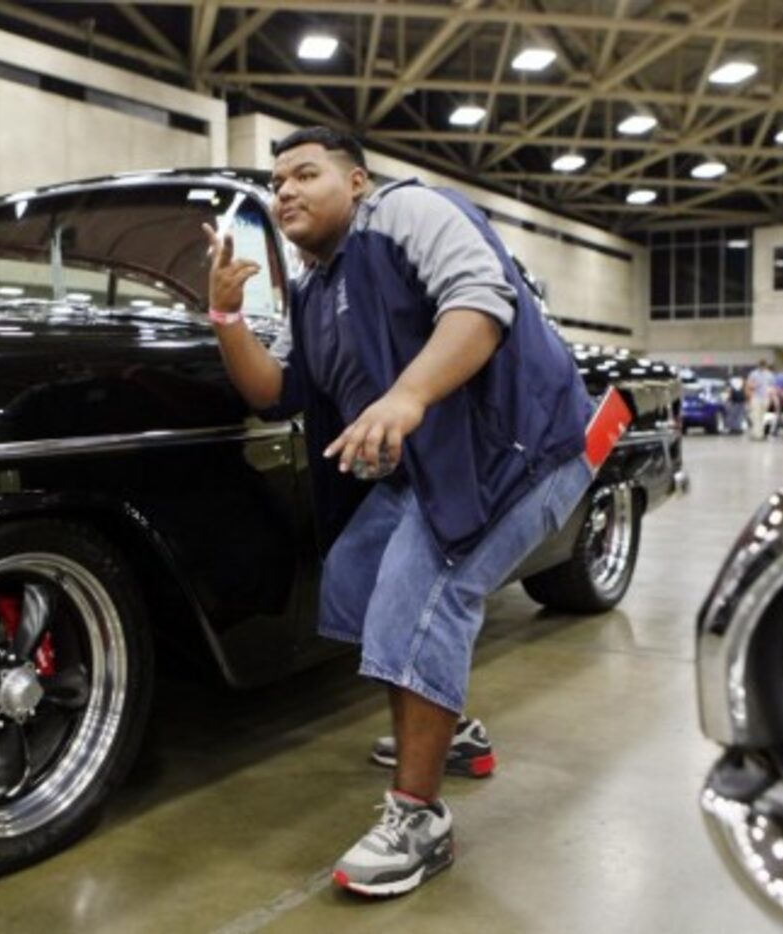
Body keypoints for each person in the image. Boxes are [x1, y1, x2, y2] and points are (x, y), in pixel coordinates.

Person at [204, 127, 595, 897]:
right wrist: (225, 316)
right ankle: (454, 735)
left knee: (423, 594)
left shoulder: (408, 213)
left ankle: (420, 820)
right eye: (275, 180)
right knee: (356, 577)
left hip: (520, 447)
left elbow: (481, 302)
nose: (283, 190)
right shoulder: (313, 287)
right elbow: (271, 392)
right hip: (435, 464)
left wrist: (407, 395)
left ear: (354, 183)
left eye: (304, 173)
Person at [744, 360, 774, 439]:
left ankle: (758, 432)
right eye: (761, 365)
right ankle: (758, 434)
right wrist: (752, 388)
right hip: (756, 397)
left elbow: (771, 387)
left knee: (761, 416)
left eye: (764, 365)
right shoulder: (753, 374)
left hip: (765, 397)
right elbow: (748, 385)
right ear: (758, 365)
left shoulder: (769, 375)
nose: (762, 367)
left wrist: (771, 398)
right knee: (755, 415)